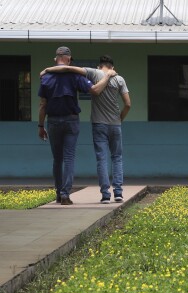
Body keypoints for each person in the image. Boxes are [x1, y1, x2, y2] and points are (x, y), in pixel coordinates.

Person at [42, 55, 131, 204]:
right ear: (112, 67)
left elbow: (68, 68)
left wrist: (48, 69)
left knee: (101, 158)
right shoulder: (119, 79)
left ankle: (105, 195)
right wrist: (119, 119)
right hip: (115, 124)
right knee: (117, 158)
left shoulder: (94, 73)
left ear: (99, 66)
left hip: (98, 124)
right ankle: (118, 193)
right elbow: (128, 104)